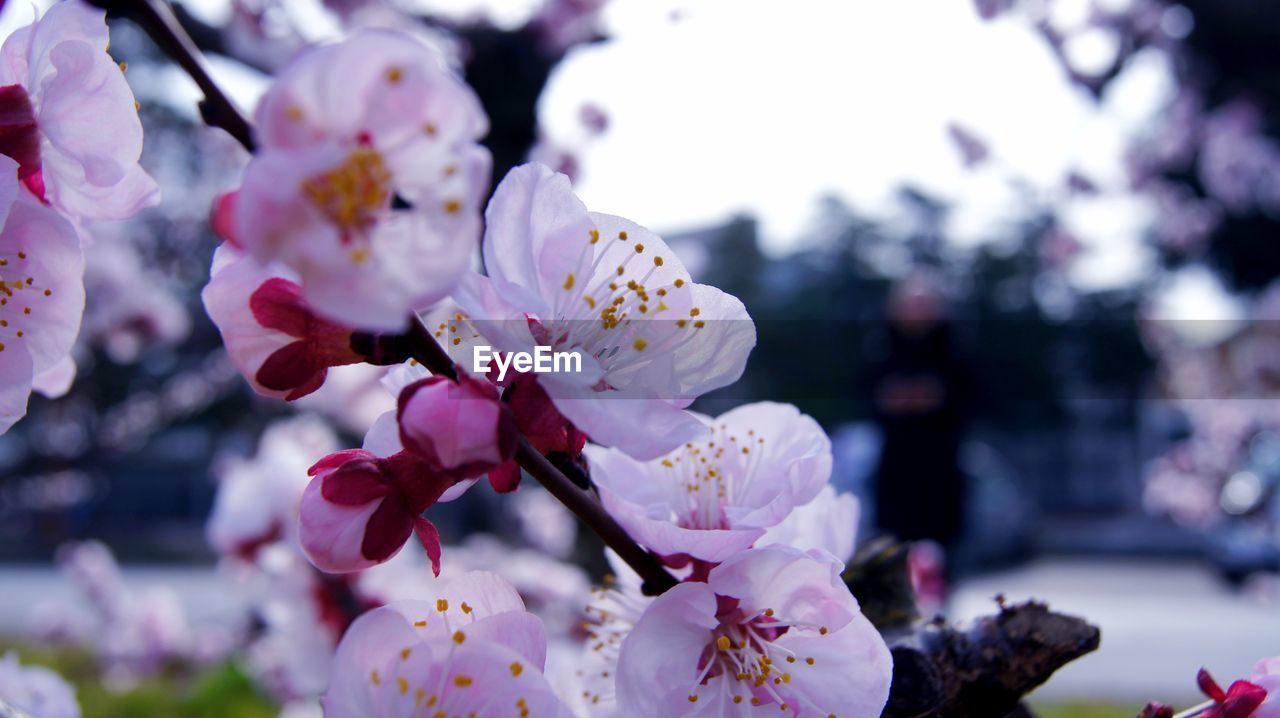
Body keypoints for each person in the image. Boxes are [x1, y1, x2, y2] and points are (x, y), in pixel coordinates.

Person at [868, 276, 974, 555]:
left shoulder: (956, 352)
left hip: (941, 472)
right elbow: (863, 398)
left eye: (923, 305)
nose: (916, 313)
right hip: (896, 473)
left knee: (942, 559)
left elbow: (978, 400)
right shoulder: (880, 350)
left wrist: (940, 398)